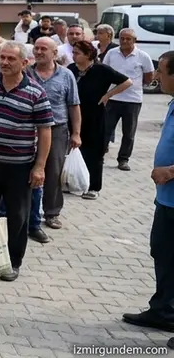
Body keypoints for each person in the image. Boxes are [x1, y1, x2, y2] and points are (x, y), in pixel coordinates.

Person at [0, 41, 53, 282]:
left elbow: (45, 131)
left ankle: (13, 261)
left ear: (24, 63)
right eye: (2, 58)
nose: (5, 62)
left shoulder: (35, 92)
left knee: (17, 217)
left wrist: (40, 166)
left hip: (19, 166)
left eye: (11, 59)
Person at [122, 50, 174, 346]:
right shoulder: (172, 102)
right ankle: (163, 311)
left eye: (162, 71)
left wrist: (170, 171)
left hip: (171, 189)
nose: (156, 76)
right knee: (163, 253)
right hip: (166, 199)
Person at [67, 40, 132, 200]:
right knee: (74, 149)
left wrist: (108, 95)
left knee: (94, 152)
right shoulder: (71, 69)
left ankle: (93, 186)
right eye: (73, 52)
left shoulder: (101, 70)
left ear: (88, 55)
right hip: (74, 116)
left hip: (95, 116)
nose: (74, 55)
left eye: (77, 53)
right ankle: (74, 182)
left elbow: (127, 81)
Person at [30, 37, 81, 235]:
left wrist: (76, 133)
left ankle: (51, 212)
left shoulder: (66, 75)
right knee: (27, 169)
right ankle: (27, 211)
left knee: (53, 171)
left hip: (57, 129)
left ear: (54, 53)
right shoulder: (26, 72)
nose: (39, 52)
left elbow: (74, 105)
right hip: (28, 128)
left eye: (44, 49)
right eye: (36, 48)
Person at [103, 29, 155, 172]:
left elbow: (149, 76)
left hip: (133, 99)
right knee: (105, 128)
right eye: (122, 38)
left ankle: (123, 159)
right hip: (113, 98)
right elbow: (104, 70)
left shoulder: (143, 56)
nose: (124, 41)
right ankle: (99, 155)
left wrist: (137, 85)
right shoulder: (111, 53)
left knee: (129, 132)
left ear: (134, 40)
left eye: (128, 39)